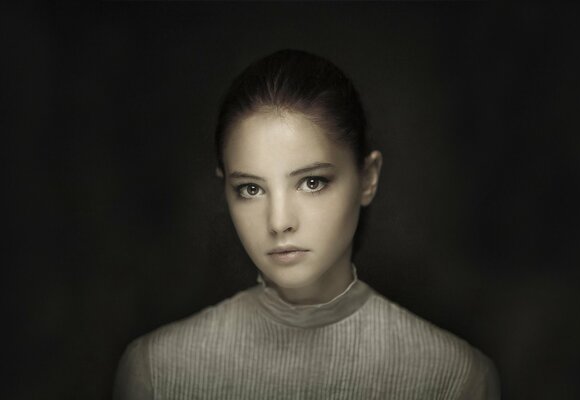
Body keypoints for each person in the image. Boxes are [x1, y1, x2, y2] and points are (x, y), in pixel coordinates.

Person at [114, 49, 500, 399]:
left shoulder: (453, 378)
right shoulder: (157, 372)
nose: (279, 222)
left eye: (312, 182)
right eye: (250, 189)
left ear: (368, 177)